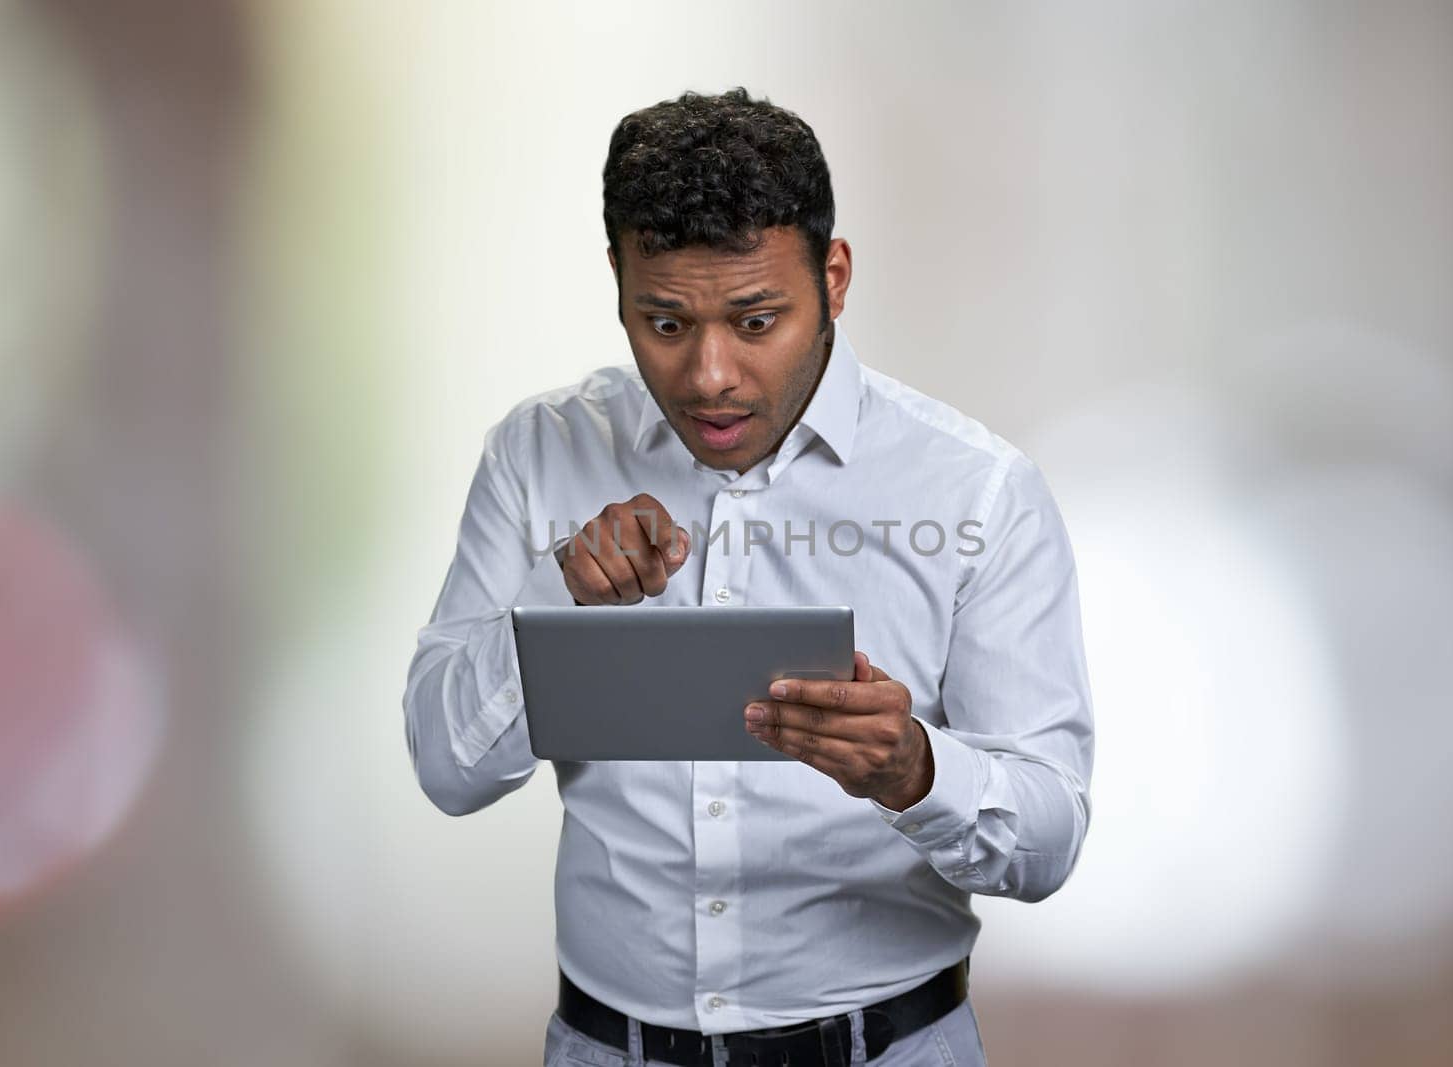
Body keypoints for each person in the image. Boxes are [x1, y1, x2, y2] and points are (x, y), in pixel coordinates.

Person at [402, 87, 1094, 1067]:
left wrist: (917, 769)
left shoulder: (979, 493)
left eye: (756, 318)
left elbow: (1050, 835)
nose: (709, 374)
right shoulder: (539, 455)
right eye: (666, 322)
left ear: (836, 277)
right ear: (616, 280)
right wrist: (560, 591)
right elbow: (445, 766)